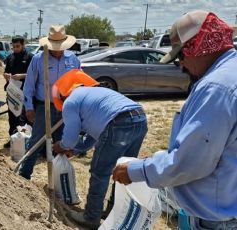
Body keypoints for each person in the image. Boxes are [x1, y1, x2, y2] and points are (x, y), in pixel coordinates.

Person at [113, 10, 237, 229]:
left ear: (198, 47)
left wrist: (135, 171)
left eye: (181, 55)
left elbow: (192, 162)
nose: (181, 64)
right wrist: (162, 158)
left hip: (218, 220)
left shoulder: (216, 88)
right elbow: (218, 148)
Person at [50, 70, 147, 229]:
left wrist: (62, 146)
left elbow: (71, 136)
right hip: (139, 119)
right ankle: (115, 211)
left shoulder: (70, 102)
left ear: (62, 95)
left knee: (100, 172)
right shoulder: (94, 94)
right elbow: (94, 135)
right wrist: (75, 150)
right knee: (124, 170)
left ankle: (91, 217)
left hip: (118, 123)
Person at [19, 25, 80, 180]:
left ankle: (59, 178)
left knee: (62, 143)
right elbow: (29, 85)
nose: (58, 50)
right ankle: (24, 176)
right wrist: (29, 107)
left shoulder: (73, 59)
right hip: (43, 106)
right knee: (36, 141)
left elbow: (78, 82)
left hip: (66, 107)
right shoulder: (39, 59)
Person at [3, 36, 33, 148]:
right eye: (13, 46)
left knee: (24, 117)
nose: (15, 48)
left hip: (25, 91)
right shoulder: (10, 57)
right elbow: (6, 71)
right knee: (12, 116)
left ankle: (26, 140)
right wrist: (6, 76)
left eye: (18, 46)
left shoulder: (30, 57)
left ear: (23, 45)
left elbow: (34, 75)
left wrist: (21, 76)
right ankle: (13, 138)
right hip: (12, 91)